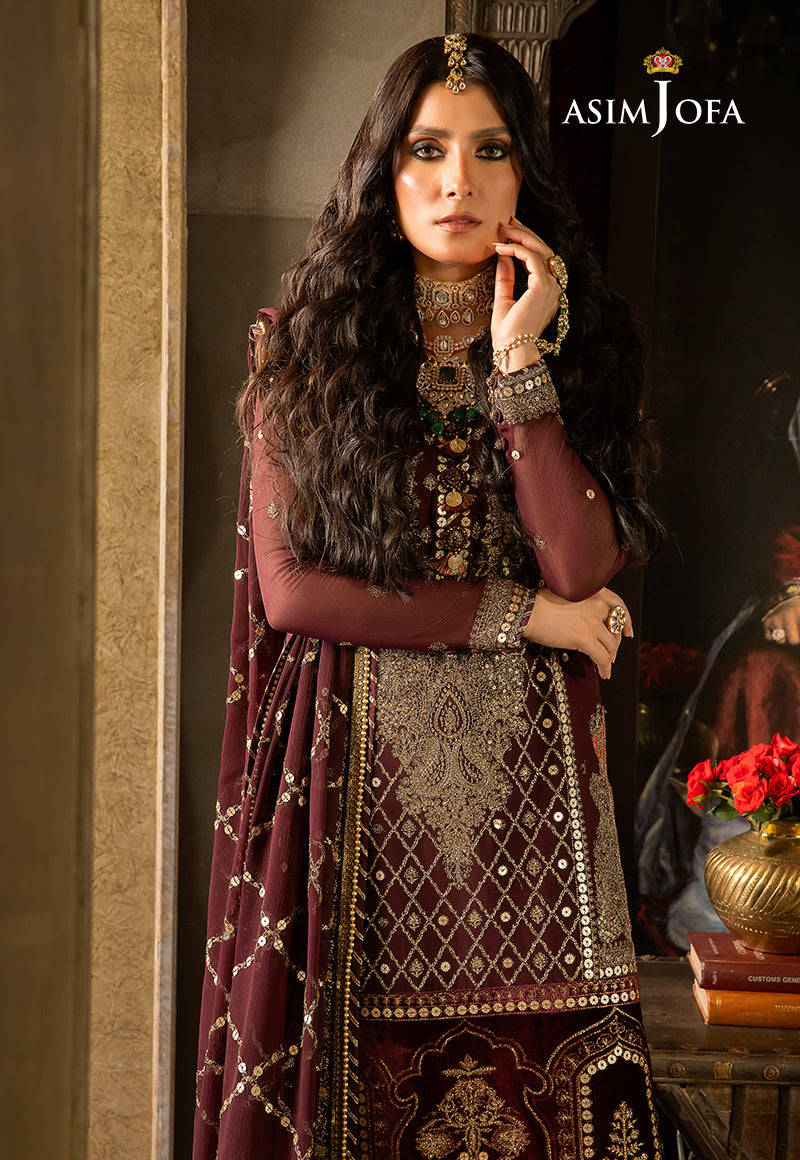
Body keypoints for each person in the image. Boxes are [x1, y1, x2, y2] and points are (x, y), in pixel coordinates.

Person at [194, 34, 666, 1160]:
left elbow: (579, 565)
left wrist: (518, 366)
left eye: (490, 151)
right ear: (382, 169)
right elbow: (293, 592)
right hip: (352, 789)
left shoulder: (579, 344)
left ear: (525, 173)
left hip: (536, 808)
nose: (459, 181)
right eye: (426, 151)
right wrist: (523, 617)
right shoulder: (304, 349)